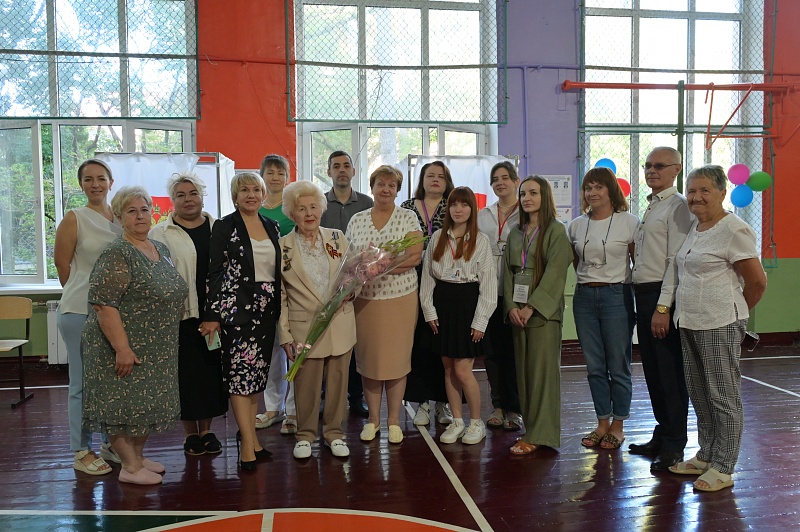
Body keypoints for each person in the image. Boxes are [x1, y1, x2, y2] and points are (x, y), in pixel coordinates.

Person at [667, 165, 766, 492]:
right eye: (692, 191)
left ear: (723, 193)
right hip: (689, 321)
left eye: (704, 190)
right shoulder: (696, 228)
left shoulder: (733, 230)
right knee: (700, 393)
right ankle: (707, 454)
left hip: (719, 323)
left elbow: (757, 282)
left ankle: (724, 465)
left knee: (723, 396)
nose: (696, 197)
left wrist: (735, 316)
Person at [81, 186, 188, 485]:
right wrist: (122, 349)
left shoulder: (159, 249)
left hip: (156, 346)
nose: (140, 216)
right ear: (119, 217)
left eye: (144, 209)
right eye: (131, 211)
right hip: (121, 344)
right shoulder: (117, 253)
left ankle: (137, 458)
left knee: (143, 405)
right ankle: (129, 467)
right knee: (121, 405)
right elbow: (104, 305)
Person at [201, 172, 281, 471]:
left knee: (256, 378)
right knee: (239, 378)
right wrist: (212, 314)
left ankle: (254, 441)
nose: (250, 195)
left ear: (263, 194)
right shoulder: (225, 226)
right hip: (236, 312)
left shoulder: (271, 225)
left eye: (256, 190)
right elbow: (214, 272)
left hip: (266, 310)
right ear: (235, 196)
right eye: (244, 190)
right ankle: (246, 444)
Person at [149, 173, 228, 457]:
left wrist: (217, 312)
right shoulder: (160, 233)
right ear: (173, 200)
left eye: (193, 193)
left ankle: (206, 430)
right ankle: (190, 434)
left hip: (216, 314)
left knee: (210, 373)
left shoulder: (219, 228)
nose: (188, 199)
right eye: (180, 195)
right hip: (180, 316)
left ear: (202, 197)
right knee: (185, 375)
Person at [54, 159, 123, 476]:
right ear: (81, 184)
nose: (95, 184)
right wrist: (84, 294)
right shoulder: (74, 218)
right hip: (79, 311)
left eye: (101, 178)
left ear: (111, 182)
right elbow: (62, 265)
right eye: (88, 179)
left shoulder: (120, 217)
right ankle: (81, 450)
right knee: (81, 384)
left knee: (111, 383)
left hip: (113, 314)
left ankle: (110, 443)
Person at [277, 181, 356, 459]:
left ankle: (334, 433)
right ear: (292, 214)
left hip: (340, 324)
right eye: (301, 209)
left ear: (321, 209)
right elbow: (280, 296)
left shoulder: (336, 237)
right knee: (306, 386)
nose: (309, 213)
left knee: (338, 385)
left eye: (313, 207)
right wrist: (285, 334)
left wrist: (352, 292)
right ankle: (305, 435)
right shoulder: (283, 247)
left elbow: (354, 273)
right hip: (304, 329)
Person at [346, 165, 423, 444]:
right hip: (365, 300)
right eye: (381, 184)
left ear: (397, 190)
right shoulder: (357, 219)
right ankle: (373, 420)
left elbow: (414, 256)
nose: (386, 189)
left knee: (397, 361)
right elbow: (348, 259)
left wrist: (378, 268)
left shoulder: (408, 217)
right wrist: (362, 272)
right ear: (372, 187)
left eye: (391, 185)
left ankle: (393, 420)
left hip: (400, 298)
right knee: (370, 361)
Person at [628, 147, 693, 471]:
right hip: (644, 294)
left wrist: (664, 306)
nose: (651, 170)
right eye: (647, 165)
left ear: (676, 169)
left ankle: (674, 444)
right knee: (653, 372)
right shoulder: (653, 204)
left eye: (659, 166)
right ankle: (662, 432)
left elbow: (675, 260)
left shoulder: (678, 206)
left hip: (661, 296)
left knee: (669, 373)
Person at [568, 167, 639, 450]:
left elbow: (637, 263)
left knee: (618, 365)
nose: (592, 193)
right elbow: (578, 263)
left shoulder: (629, 222)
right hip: (584, 297)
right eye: (588, 188)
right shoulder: (576, 225)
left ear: (611, 190)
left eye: (599, 187)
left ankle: (618, 425)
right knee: (595, 366)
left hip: (617, 296)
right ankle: (601, 422)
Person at [420, 187, 496, 445]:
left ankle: (476, 422)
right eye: (454, 204)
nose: (458, 209)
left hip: (467, 305)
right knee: (448, 368)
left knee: (463, 370)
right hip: (442, 305)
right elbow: (427, 278)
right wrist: (429, 310)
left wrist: (481, 321)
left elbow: (488, 286)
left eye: (464, 205)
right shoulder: (437, 238)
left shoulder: (481, 240)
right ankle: (457, 420)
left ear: (472, 209)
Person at [503, 176, 573, 454]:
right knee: (524, 374)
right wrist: (511, 307)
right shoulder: (515, 232)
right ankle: (531, 430)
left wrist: (531, 306)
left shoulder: (556, 231)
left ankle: (542, 434)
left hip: (542, 311)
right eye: (523, 194)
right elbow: (507, 274)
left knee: (542, 374)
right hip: (518, 311)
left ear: (545, 196)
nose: (527, 198)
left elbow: (556, 274)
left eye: (533, 193)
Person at [319, 151, 373, 417]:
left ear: (353, 171)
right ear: (328, 172)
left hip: (358, 285)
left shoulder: (366, 203)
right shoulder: (319, 203)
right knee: (322, 341)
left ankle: (356, 396)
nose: (342, 170)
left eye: (346, 166)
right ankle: (323, 397)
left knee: (352, 343)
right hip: (324, 284)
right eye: (336, 166)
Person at [402, 160, 455, 428]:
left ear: (447, 182)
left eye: (440, 176)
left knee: (443, 344)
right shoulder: (407, 208)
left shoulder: (454, 206)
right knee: (418, 344)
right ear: (421, 180)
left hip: (445, 283)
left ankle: (443, 403)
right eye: (430, 175)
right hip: (411, 281)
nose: (435, 180)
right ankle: (421, 401)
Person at [477, 161, 523, 431]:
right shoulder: (483, 215)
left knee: (514, 354)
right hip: (488, 292)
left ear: (516, 181)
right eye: (495, 179)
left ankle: (515, 408)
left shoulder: (526, 213)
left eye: (505, 178)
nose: (500, 183)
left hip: (516, 294)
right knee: (492, 354)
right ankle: (497, 405)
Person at [255, 154, 297, 436]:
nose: (275, 177)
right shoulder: (254, 209)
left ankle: (293, 410)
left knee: (293, 348)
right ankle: (273, 407)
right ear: (262, 176)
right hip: (263, 286)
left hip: (292, 284)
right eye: (270, 172)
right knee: (270, 350)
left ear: (287, 177)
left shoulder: (293, 207)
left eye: (280, 173)